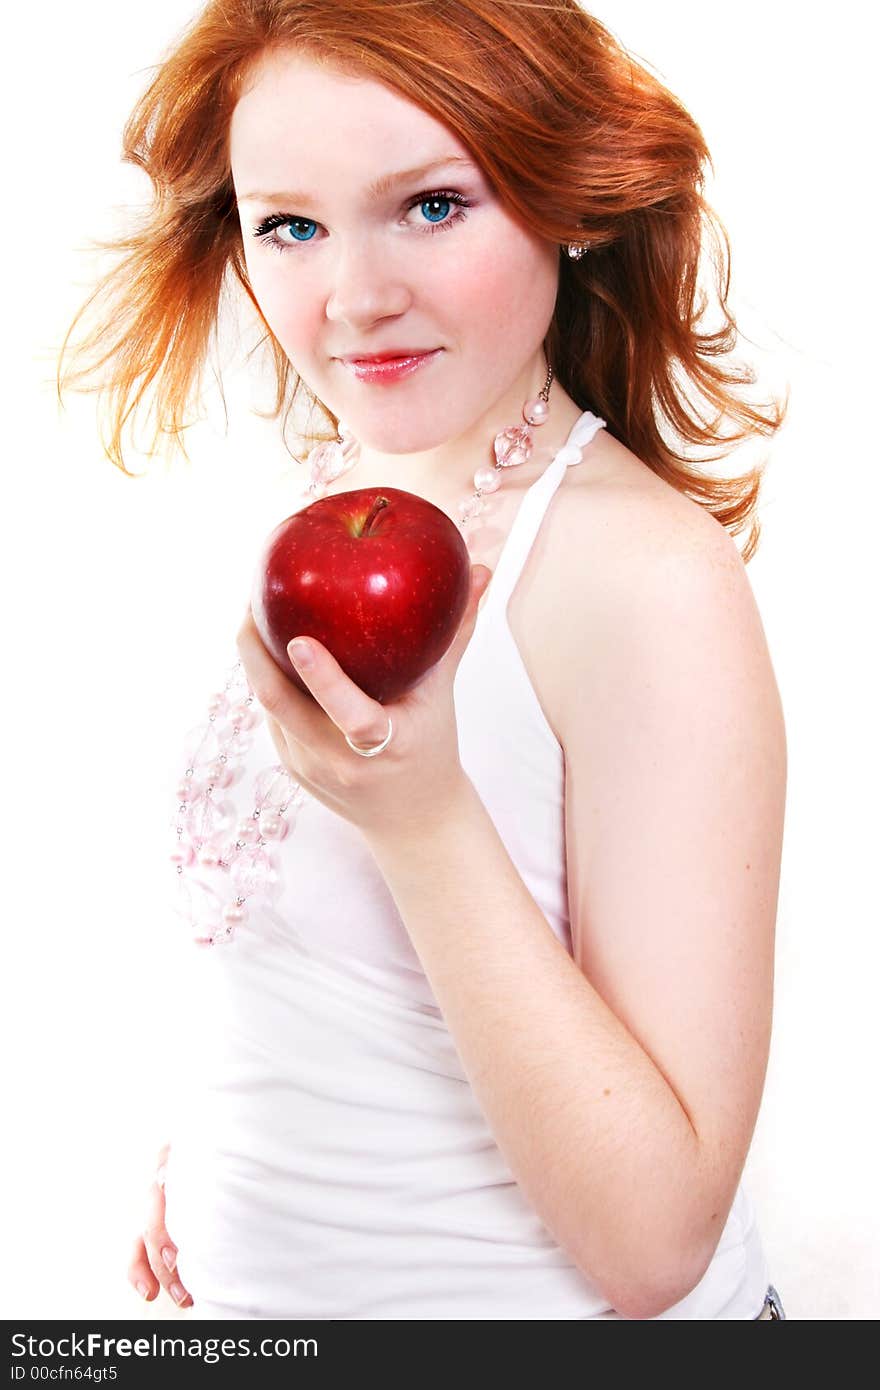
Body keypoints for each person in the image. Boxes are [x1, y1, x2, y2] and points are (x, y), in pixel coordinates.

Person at [58, 0, 789, 1320]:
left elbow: (656, 1239)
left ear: (567, 191)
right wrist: (224, 1158)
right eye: (291, 223)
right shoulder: (340, 487)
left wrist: (427, 821)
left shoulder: (644, 580)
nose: (354, 297)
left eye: (432, 206)